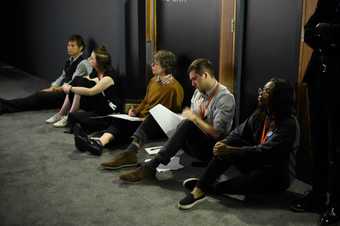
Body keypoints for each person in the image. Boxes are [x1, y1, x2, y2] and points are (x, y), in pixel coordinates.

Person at [177, 78, 297, 210]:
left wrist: (230, 150)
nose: (261, 93)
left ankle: (207, 186)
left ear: (279, 98)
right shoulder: (261, 114)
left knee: (228, 186)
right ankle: (199, 190)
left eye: (266, 91)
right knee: (233, 141)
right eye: (262, 90)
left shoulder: (289, 125)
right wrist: (224, 143)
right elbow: (238, 132)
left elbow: (265, 152)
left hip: (275, 174)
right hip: (256, 162)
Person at [111, 58, 235, 182]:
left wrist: (194, 119)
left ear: (205, 75)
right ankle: (130, 152)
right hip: (194, 142)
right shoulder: (198, 93)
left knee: (188, 123)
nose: (192, 84)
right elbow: (194, 119)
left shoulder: (225, 98)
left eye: (194, 79)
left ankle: (151, 167)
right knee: (155, 115)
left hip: (211, 150)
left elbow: (217, 133)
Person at [71, 50, 184, 156]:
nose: (152, 66)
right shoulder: (153, 80)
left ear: (165, 67)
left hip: (154, 124)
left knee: (121, 125)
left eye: (156, 64)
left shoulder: (174, 88)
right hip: (142, 118)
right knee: (117, 120)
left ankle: (97, 143)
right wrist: (135, 111)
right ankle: (96, 143)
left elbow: (171, 112)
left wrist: (148, 119)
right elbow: (145, 101)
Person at [290, 1, 340, 226]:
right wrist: (325, 35)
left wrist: (329, 33)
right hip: (318, 78)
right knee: (318, 143)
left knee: (337, 148)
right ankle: (318, 196)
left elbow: (324, 32)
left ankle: (336, 204)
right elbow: (309, 32)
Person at [0, 34, 91, 114]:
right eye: (68, 45)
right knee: (36, 99)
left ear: (81, 47)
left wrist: (54, 90)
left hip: (67, 95)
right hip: (61, 91)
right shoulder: (69, 60)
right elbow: (62, 76)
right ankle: (4, 105)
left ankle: (5, 106)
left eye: (72, 45)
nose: (69, 48)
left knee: (38, 98)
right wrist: (51, 87)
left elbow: (73, 83)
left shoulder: (82, 63)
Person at [46, 46, 122, 129]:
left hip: (110, 107)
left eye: (92, 58)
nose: (89, 59)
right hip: (100, 102)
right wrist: (65, 86)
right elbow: (81, 81)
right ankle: (61, 113)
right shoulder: (95, 72)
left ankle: (69, 116)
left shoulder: (109, 77)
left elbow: (91, 91)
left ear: (99, 62)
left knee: (79, 83)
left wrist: (70, 88)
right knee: (78, 80)